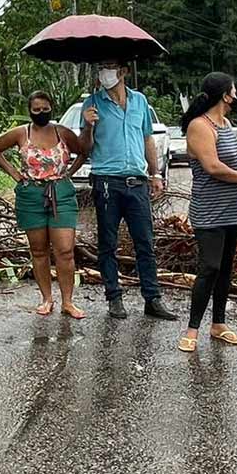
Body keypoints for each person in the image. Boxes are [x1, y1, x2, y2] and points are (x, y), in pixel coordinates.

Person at [175, 73, 237, 352]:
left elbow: (228, 155)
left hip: (233, 209)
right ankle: (192, 329)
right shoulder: (199, 125)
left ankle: (218, 324)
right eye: (234, 91)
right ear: (225, 95)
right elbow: (213, 166)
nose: (236, 96)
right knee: (209, 267)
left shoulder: (225, 124)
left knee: (226, 267)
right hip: (209, 211)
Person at [77, 60, 177, 320]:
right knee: (107, 243)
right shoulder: (92, 105)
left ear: (123, 71)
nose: (103, 72)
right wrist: (88, 126)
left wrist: (155, 174)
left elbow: (147, 139)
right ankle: (114, 297)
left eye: (109, 67)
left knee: (145, 243)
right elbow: (84, 148)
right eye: (101, 68)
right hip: (107, 181)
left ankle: (152, 299)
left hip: (137, 182)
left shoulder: (140, 101)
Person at [0, 91, 88, 318]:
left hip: (60, 193)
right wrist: (14, 173)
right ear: (29, 111)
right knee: (39, 250)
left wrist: (69, 172)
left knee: (65, 250)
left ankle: (68, 301)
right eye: (36, 110)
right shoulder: (22, 133)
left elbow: (83, 150)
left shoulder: (62, 132)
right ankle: (46, 298)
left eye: (45, 109)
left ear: (52, 107)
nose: (41, 113)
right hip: (30, 194)